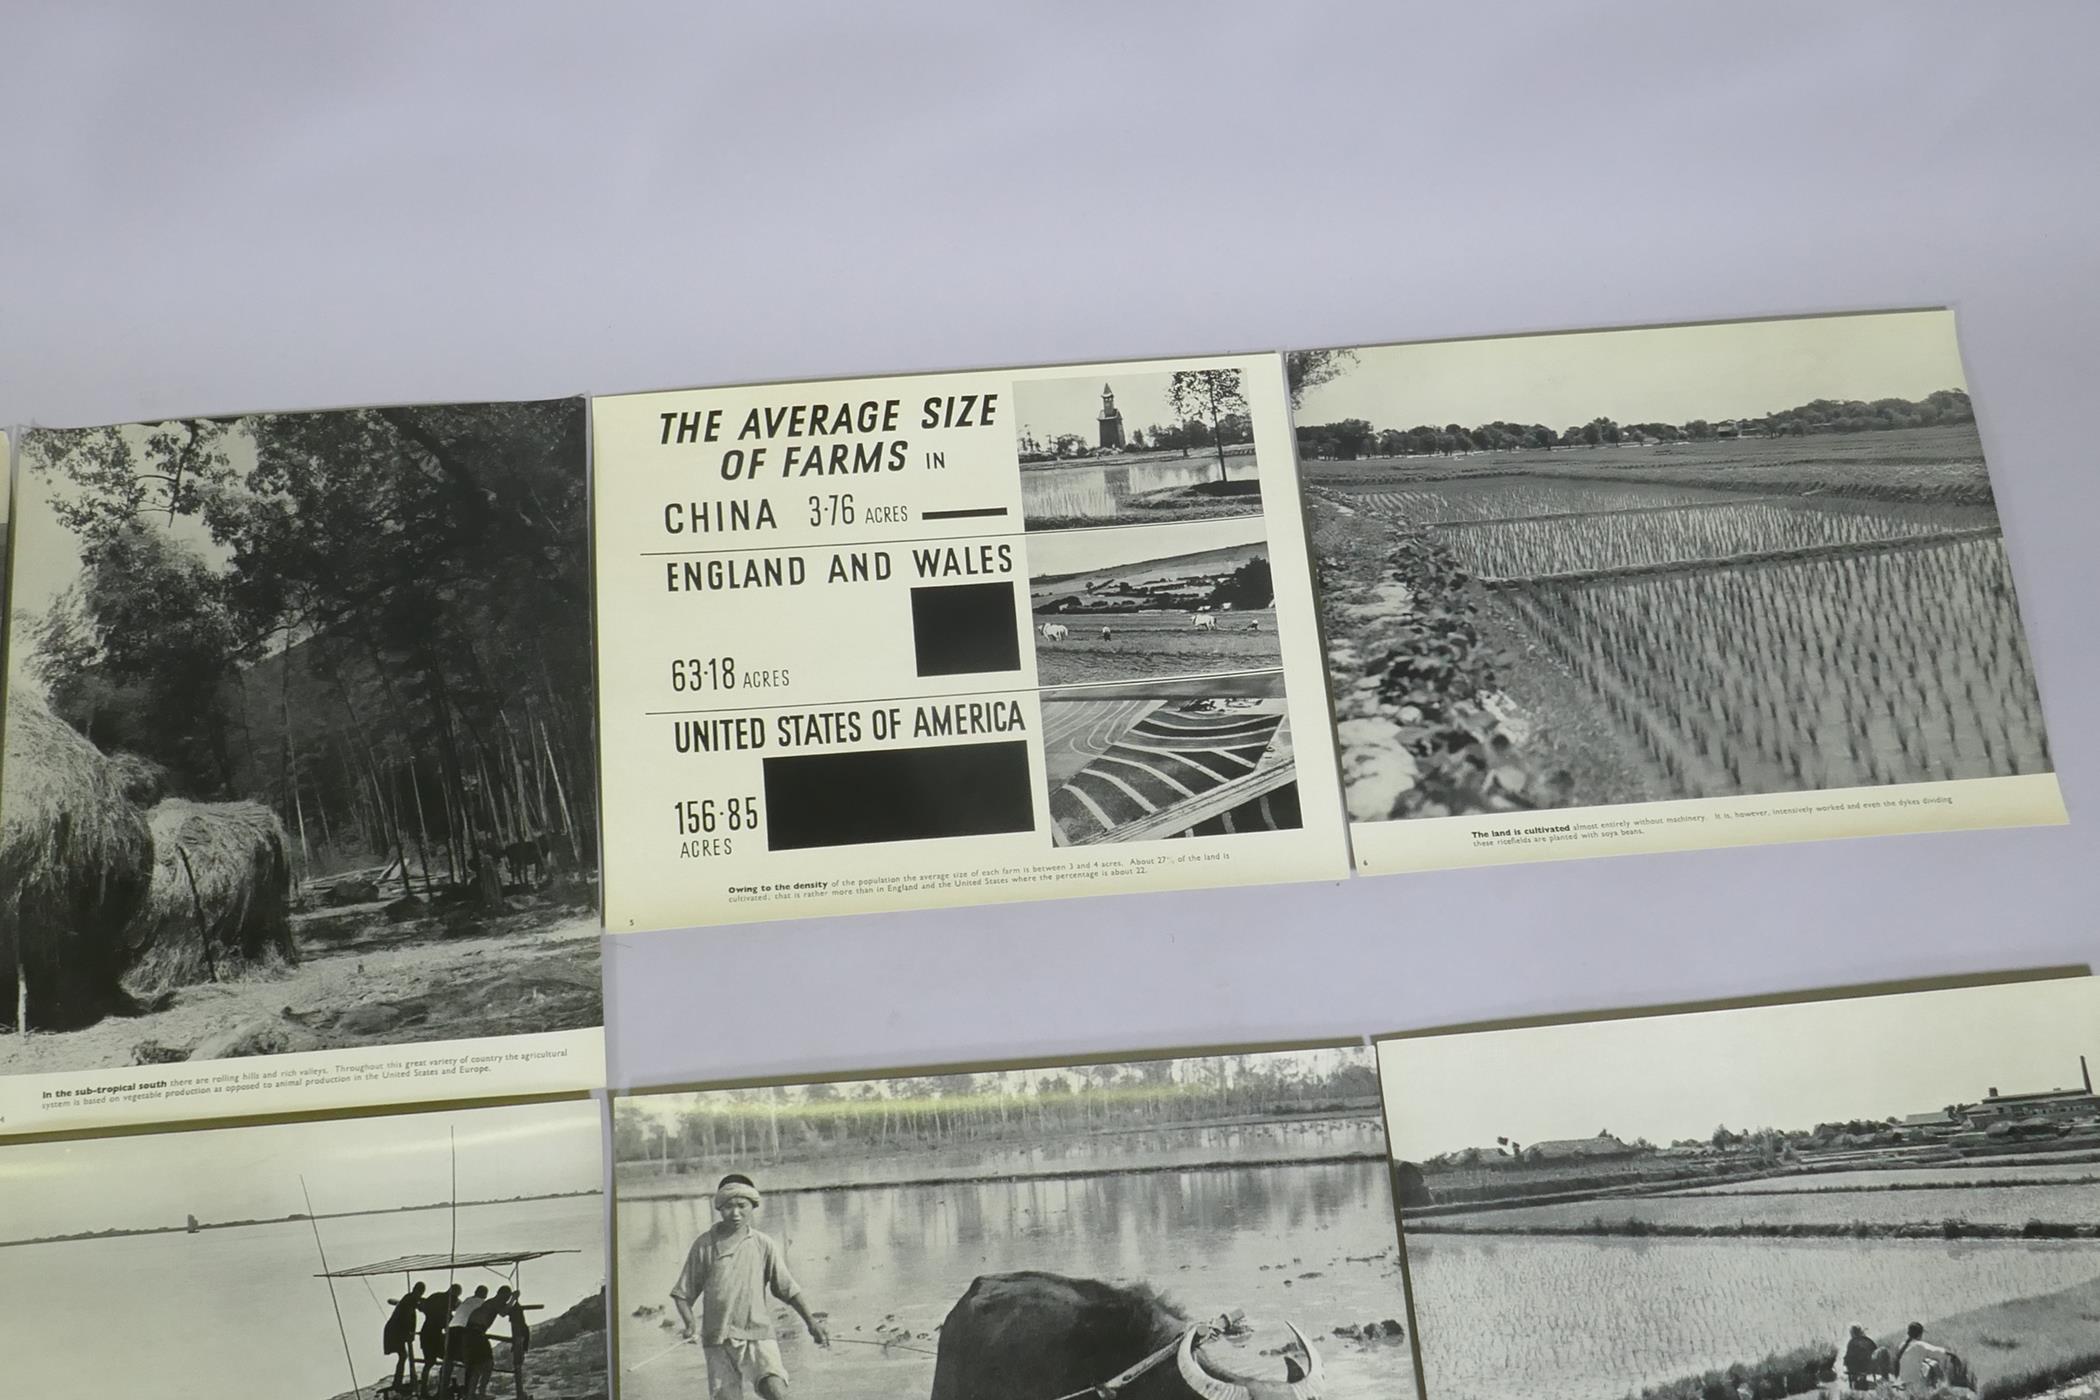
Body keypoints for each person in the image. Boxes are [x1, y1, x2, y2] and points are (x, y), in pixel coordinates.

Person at [671, 1174, 830, 1400]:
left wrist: (812, 1323)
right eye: (728, 1207)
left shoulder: (763, 1244)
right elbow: (682, 1294)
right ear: (719, 1208)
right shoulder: (704, 1245)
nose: (735, 1213)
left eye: (741, 1206)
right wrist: (689, 1324)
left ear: (753, 1206)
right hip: (717, 1339)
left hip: (757, 1333)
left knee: (777, 1392)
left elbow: (787, 1289)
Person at [463, 1286, 512, 1399]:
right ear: (502, 1295)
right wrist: (513, 1299)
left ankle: (471, 1394)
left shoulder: (490, 1302)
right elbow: (504, 1312)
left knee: (476, 1366)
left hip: (470, 1333)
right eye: (506, 1297)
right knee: (488, 1364)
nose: (506, 1300)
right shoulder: (496, 1301)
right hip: (477, 1332)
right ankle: (481, 1393)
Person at [443, 1286, 490, 1396]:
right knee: (471, 1361)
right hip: (464, 1330)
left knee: (449, 1359)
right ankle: (468, 1391)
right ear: (485, 1295)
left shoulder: (467, 1300)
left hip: (451, 1329)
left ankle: (443, 1389)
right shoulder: (482, 1303)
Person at [385, 1282, 427, 1393]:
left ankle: (397, 1383)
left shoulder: (410, 1298)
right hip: (396, 1331)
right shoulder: (410, 1300)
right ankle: (397, 1384)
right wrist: (409, 1333)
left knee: (403, 1356)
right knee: (403, 1355)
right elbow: (407, 1318)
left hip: (395, 1330)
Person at [419, 1285, 461, 1396]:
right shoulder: (450, 1303)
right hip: (435, 1336)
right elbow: (450, 1323)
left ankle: (423, 1390)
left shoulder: (435, 1296)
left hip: (425, 1333)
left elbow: (424, 1306)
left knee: (429, 1363)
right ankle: (441, 1390)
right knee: (448, 1359)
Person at [1894, 1322, 1951, 1393]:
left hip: (1902, 1382)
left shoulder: (1902, 1346)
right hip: (1915, 1385)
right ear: (1919, 1334)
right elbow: (1936, 1351)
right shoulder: (1919, 1345)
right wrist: (1950, 1353)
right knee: (1933, 1365)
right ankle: (1942, 1386)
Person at [503, 1291, 532, 1400]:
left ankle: (521, 1393)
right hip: (521, 1335)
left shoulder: (517, 1319)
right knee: (518, 1360)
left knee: (518, 1360)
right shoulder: (519, 1320)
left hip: (520, 1335)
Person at [1843, 1324, 1879, 1391]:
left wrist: (1844, 1362)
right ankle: (1861, 1379)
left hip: (1856, 1368)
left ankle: (1855, 1381)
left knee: (1850, 1361)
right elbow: (1876, 1352)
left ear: (1853, 1333)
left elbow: (1849, 1356)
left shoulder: (1852, 1342)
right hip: (1870, 1367)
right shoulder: (1869, 1341)